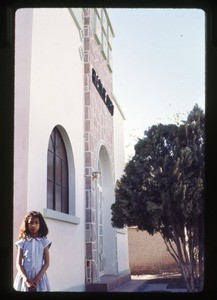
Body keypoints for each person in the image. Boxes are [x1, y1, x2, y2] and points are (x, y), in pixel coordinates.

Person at [13, 211, 52, 292]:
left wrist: (37, 279)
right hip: (25, 277)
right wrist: (26, 279)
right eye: (31, 222)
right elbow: (18, 264)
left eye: (36, 222)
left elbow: (47, 263)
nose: (33, 225)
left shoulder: (44, 242)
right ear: (27, 224)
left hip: (39, 278)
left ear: (40, 224)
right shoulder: (22, 242)